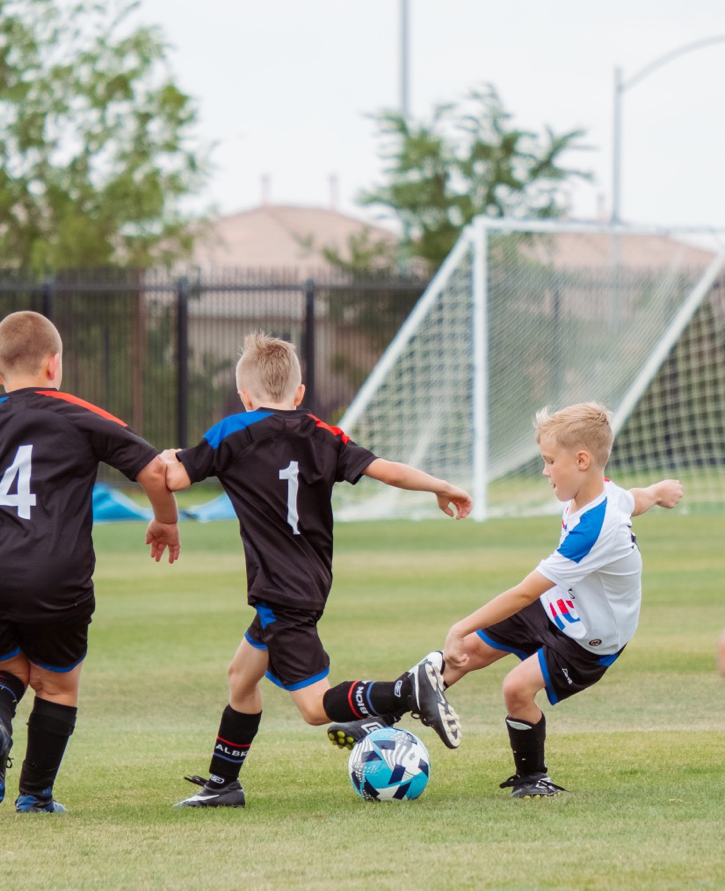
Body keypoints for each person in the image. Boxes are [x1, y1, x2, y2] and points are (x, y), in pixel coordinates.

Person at [161, 331, 471, 808]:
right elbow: (385, 469)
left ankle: (406, 690)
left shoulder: (232, 432)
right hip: (309, 581)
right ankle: (223, 784)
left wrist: (164, 459)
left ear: (244, 397)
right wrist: (441, 486)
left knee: (312, 708)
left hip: (278, 590)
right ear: (300, 394)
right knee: (241, 677)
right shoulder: (324, 435)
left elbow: (175, 477)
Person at [329, 402, 683, 798]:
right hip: (559, 603)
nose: (545, 470)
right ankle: (382, 717)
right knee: (470, 651)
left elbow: (524, 592)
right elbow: (632, 499)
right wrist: (658, 492)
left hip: (591, 638)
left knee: (515, 688)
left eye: (550, 461)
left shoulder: (596, 529)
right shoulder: (601, 495)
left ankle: (534, 778)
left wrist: (460, 626)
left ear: (582, 460)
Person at [0, 311, 180, 814]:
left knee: (8, 668)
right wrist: (165, 520)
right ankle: (34, 797)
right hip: (56, 575)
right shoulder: (78, 413)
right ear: (54, 365)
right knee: (56, 683)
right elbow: (153, 470)